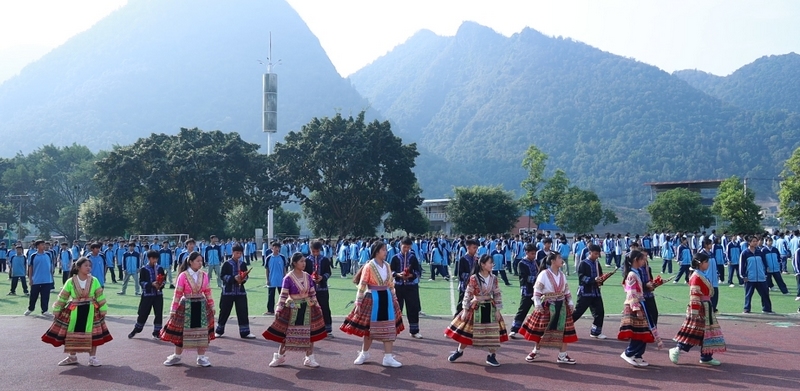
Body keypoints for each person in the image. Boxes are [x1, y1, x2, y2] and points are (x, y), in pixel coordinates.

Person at [340, 241, 405, 368]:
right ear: (376, 251)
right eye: (383, 250)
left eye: (386, 250)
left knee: (389, 327)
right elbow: (362, 285)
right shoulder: (369, 266)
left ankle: (388, 357)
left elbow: (391, 284)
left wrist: (394, 298)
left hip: (386, 298)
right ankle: (364, 353)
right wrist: (358, 302)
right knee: (369, 329)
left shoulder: (387, 265)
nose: (386, 252)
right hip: (372, 299)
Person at [41, 257, 112, 366]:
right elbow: (63, 296)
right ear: (78, 267)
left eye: (90, 266)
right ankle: (72, 356)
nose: (88, 268)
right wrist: (57, 309)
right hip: (74, 311)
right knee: (71, 333)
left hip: (91, 310)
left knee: (93, 333)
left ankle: (92, 357)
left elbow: (99, 295)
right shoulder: (70, 281)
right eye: (86, 265)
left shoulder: (94, 280)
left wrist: (103, 309)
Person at [264, 252, 327, 368]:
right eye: (301, 261)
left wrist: (317, 306)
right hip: (293, 308)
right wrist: (279, 308)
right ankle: (279, 357)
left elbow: (312, 293)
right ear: (294, 263)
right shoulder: (288, 278)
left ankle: (309, 357)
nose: (304, 263)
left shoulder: (307, 276)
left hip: (308, 307)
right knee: (287, 334)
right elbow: (283, 295)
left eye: (304, 261)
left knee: (310, 333)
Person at [445, 254, 508, 366]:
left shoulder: (493, 278)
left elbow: (497, 294)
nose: (492, 265)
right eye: (490, 263)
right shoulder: (474, 278)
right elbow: (468, 293)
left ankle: (491, 355)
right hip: (476, 308)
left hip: (490, 308)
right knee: (468, 332)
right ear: (483, 265)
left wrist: (498, 310)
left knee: (492, 333)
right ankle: (459, 351)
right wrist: (465, 309)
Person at [519, 253, 578, 365]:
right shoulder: (544, 274)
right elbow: (537, 292)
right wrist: (537, 304)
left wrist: (570, 303)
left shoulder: (562, 275)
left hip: (561, 306)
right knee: (541, 330)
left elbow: (567, 291)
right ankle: (535, 351)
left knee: (565, 331)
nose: (562, 260)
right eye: (559, 258)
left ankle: (562, 355)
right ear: (552, 261)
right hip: (547, 306)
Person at [669, 252, 726, 366]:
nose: (708, 264)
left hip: (706, 306)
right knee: (694, 332)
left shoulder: (701, 274)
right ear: (700, 263)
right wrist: (695, 311)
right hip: (700, 308)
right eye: (706, 262)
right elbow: (694, 295)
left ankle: (706, 356)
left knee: (706, 333)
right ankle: (677, 349)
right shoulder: (696, 276)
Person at [161, 252, 216, 367]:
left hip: (201, 305)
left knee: (202, 332)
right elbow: (177, 294)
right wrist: (173, 309)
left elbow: (208, 292)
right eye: (198, 261)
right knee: (181, 332)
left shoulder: (204, 275)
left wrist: (212, 306)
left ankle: (201, 357)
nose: (200, 263)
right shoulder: (183, 276)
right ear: (190, 262)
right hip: (186, 305)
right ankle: (177, 356)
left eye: (201, 261)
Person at [618, 250, 662, 367]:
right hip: (636, 305)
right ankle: (629, 353)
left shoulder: (635, 272)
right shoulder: (632, 275)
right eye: (642, 259)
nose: (644, 261)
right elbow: (631, 293)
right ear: (636, 260)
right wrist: (637, 309)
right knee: (640, 331)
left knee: (643, 331)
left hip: (641, 303)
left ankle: (636, 355)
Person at [215, 244, 256, 338]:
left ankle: (245, 332)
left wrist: (243, 279)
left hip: (240, 291)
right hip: (228, 292)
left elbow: (246, 276)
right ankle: (219, 330)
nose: (239, 255)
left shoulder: (242, 264)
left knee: (243, 311)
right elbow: (222, 276)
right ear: (233, 253)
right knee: (224, 311)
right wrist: (233, 278)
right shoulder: (226, 263)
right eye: (237, 253)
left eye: (240, 253)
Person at [128, 250, 166, 339]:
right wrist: (151, 284)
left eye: (156, 258)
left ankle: (157, 332)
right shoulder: (144, 269)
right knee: (143, 313)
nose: (155, 260)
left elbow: (164, 280)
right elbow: (141, 282)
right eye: (153, 258)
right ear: (149, 258)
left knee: (158, 313)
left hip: (158, 295)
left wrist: (161, 284)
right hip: (147, 295)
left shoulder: (160, 268)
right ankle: (137, 329)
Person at [572, 244, 606, 339]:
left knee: (600, 312)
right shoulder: (583, 263)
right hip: (585, 293)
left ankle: (595, 332)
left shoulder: (597, 263)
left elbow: (600, 275)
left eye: (598, 254)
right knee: (578, 312)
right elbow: (581, 277)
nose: (597, 256)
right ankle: (563, 328)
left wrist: (602, 279)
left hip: (596, 292)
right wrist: (593, 280)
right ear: (590, 252)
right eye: (595, 254)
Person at [391, 238, 423, 339]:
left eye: (408, 247)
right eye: (404, 247)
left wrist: (411, 275)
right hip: (398, 286)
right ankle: (393, 329)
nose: (406, 249)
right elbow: (390, 271)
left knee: (412, 308)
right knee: (397, 308)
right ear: (400, 245)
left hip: (411, 287)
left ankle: (414, 331)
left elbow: (418, 272)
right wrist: (398, 274)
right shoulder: (395, 258)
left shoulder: (413, 258)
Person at [508, 243, 539, 339]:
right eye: (532, 254)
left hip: (536, 291)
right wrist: (538, 279)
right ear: (526, 252)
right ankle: (514, 329)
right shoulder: (522, 263)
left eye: (535, 254)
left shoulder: (534, 262)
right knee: (522, 311)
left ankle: (540, 330)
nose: (534, 256)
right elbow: (525, 277)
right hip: (527, 290)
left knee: (540, 310)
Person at [305, 241, 333, 336]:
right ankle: (310, 329)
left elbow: (328, 272)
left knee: (325, 308)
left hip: (322, 289)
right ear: (310, 250)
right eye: (313, 251)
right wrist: (311, 278)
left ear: (320, 250)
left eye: (317, 251)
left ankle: (327, 329)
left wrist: (322, 277)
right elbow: (304, 273)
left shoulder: (325, 259)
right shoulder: (306, 260)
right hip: (310, 290)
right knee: (309, 309)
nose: (315, 253)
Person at [740, 235, 772, 314]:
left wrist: (765, 273)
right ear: (749, 242)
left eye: (756, 241)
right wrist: (743, 276)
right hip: (750, 278)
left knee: (765, 293)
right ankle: (747, 309)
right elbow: (742, 265)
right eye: (753, 241)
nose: (755, 243)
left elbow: (764, 263)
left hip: (761, 277)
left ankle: (766, 308)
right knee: (748, 294)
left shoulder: (759, 252)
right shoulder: (745, 253)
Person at [25, 240, 54, 316]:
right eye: (42, 245)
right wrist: (30, 279)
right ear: (37, 246)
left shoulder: (48, 254)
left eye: (44, 245)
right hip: (36, 280)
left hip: (46, 280)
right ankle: (30, 308)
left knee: (45, 296)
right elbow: (30, 268)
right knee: (33, 296)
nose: (44, 246)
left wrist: (51, 278)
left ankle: (44, 310)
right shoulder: (33, 256)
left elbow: (50, 266)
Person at [455, 239, 479, 316]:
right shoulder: (463, 259)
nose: (475, 250)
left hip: (474, 287)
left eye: (476, 248)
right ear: (468, 247)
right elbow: (460, 274)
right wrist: (471, 278)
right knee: (461, 305)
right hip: (464, 286)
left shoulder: (476, 259)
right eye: (474, 248)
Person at [264, 242, 286, 316]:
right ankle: (270, 310)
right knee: (271, 296)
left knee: (282, 296)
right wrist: (267, 279)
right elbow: (267, 270)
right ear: (272, 248)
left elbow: (284, 269)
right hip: (272, 280)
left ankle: (284, 309)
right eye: (275, 247)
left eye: (278, 247)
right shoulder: (269, 258)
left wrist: (285, 278)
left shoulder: (282, 257)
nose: (276, 249)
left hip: (281, 280)